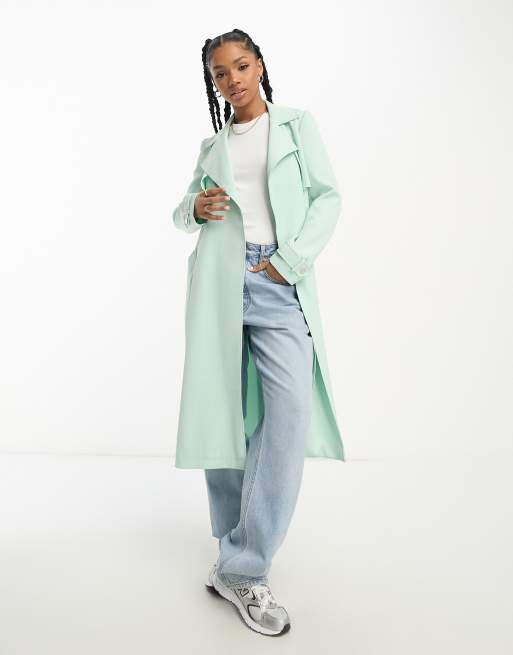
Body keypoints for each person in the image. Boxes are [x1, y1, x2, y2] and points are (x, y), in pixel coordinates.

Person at [172, 29, 343, 637]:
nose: (233, 79)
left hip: (277, 281)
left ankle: (242, 560)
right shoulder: (212, 146)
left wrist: (289, 261)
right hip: (220, 284)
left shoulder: (295, 126)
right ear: (213, 83)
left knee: (288, 413)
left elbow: (327, 198)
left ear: (260, 66)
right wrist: (194, 209)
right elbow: (183, 213)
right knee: (225, 415)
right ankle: (236, 560)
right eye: (220, 73)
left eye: (241, 66)